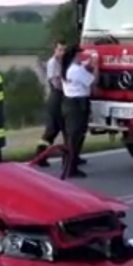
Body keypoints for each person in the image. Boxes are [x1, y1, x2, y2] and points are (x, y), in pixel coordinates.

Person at [60, 45, 99, 178]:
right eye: (79, 54)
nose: (81, 57)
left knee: (72, 136)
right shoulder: (76, 70)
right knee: (76, 136)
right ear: (74, 56)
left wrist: (88, 63)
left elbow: (83, 66)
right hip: (78, 104)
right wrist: (96, 66)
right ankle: (71, 168)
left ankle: (69, 162)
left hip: (69, 102)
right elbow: (94, 81)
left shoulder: (68, 68)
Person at [34, 41, 65, 167]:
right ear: (55, 50)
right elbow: (56, 83)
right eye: (60, 50)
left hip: (60, 98)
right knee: (61, 130)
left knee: (52, 130)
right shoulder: (53, 63)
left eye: (64, 50)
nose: (62, 53)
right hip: (56, 98)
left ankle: (41, 156)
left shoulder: (61, 62)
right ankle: (68, 157)